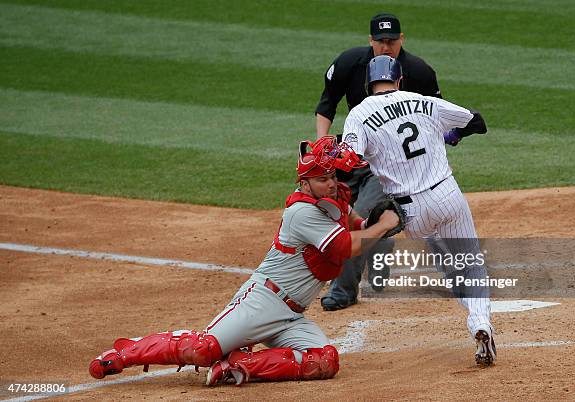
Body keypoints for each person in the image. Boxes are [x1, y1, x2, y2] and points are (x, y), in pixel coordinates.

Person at [88, 137, 400, 385]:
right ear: (305, 184)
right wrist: (384, 226)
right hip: (262, 301)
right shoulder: (301, 212)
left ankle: (237, 365)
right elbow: (345, 247)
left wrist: (369, 223)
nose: (331, 184)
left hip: (290, 316)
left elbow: (354, 225)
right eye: (322, 179)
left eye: (332, 176)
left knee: (324, 359)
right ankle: (125, 352)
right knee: (203, 349)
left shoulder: (333, 202)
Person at [341, 55, 496, 366]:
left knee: (448, 264)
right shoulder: (421, 100)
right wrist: (452, 134)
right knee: (471, 264)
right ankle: (480, 322)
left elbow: (347, 164)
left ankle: (471, 307)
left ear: (369, 84)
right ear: (399, 81)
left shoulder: (359, 114)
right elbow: (477, 122)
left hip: (409, 213)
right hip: (448, 196)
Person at [315, 12, 442, 311]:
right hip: (352, 156)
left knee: (359, 215)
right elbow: (326, 106)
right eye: (380, 41)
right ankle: (380, 248)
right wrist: (323, 147)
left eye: (392, 41)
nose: (386, 46)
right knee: (335, 212)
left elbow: (435, 119)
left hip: (387, 166)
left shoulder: (419, 72)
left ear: (402, 40)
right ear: (370, 41)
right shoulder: (349, 63)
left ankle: (343, 291)